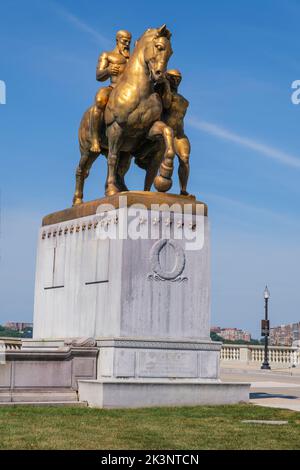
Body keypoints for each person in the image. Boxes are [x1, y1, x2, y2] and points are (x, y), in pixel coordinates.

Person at [90, 30, 132, 153]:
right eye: (125, 41)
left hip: (130, 93)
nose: (127, 44)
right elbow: (98, 75)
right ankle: (95, 138)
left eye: (129, 42)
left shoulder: (134, 58)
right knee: (100, 100)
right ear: (118, 40)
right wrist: (108, 70)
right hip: (113, 88)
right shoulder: (107, 55)